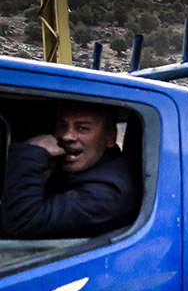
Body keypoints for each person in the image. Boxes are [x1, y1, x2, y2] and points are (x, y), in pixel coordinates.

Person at [1, 102, 140, 238]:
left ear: (110, 137)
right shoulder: (80, 168)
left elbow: (22, 222)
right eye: (62, 125)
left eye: (82, 128)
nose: (67, 136)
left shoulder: (110, 192)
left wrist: (31, 154)